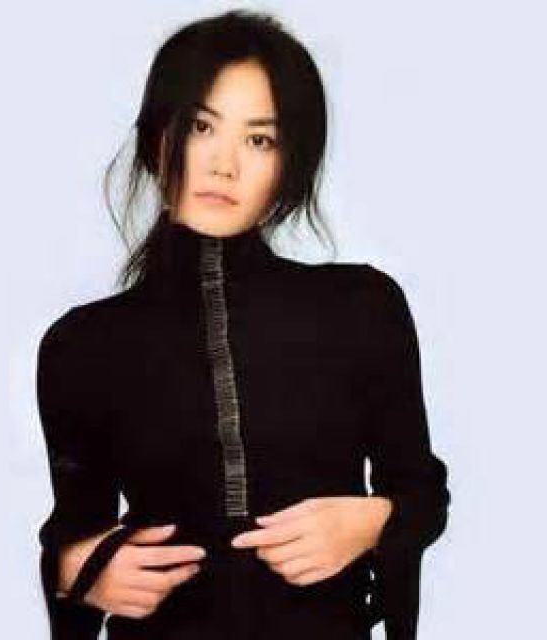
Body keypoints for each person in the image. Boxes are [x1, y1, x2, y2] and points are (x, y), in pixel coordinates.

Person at [35, 9, 451, 640]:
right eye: (201, 127)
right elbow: (74, 528)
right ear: (157, 137)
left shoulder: (361, 308)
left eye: (260, 140)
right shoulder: (83, 346)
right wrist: (78, 570)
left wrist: (370, 523)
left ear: (289, 165)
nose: (223, 164)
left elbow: (421, 491)